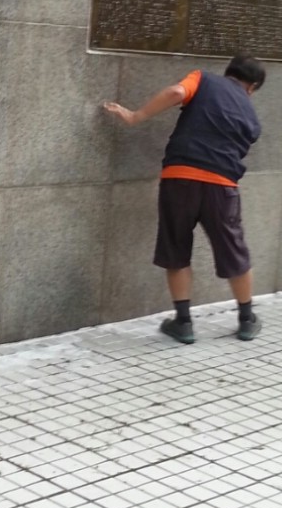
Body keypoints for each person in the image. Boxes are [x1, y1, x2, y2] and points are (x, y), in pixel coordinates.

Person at [103, 53, 266, 343]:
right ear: (252, 87)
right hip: (221, 185)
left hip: (179, 177)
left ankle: (184, 322)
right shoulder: (250, 114)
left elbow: (177, 92)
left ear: (229, 72)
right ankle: (245, 319)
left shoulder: (203, 79)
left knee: (176, 247)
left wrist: (134, 116)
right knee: (234, 251)